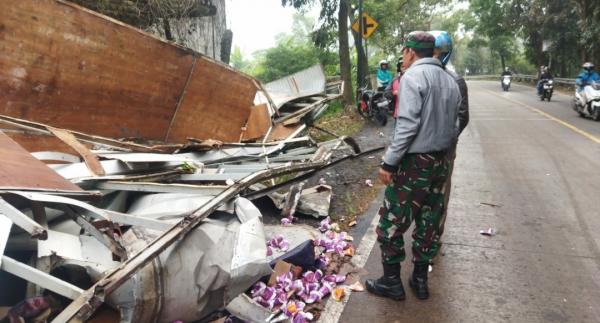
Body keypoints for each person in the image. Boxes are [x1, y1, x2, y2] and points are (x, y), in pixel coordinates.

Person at [365, 31, 461, 301]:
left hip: (415, 164)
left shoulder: (412, 77)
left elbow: (407, 126)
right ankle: (420, 280)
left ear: (409, 51)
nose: (403, 58)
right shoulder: (451, 80)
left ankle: (392, 282)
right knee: (429, 221)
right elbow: (455, 125)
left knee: (391, 222)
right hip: (441, 161)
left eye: (404, 52)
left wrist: (389, 162)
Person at [428, 30, 469, 260]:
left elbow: (462, 117)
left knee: (440, 193)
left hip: (444, 149)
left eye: (436, 52)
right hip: (422, 148)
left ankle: (435, 237)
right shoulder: (419, 75)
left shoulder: (455, 80)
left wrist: (445, 139)